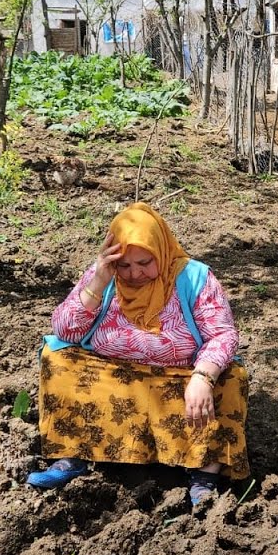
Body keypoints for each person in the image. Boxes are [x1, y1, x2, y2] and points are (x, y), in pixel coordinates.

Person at [30, 202, 249, 505]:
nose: (134, 274)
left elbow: (223, 334)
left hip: (179, 379)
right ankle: (73, 455)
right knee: (57, 358)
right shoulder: (104, 276)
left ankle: (204, 473)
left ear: (161, 250)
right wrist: (99, 280)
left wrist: (203, 377)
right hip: (115, 376)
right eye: (125, 265)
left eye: (145, 262)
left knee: (231, 379)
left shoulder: (194, 278)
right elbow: (65, 330)